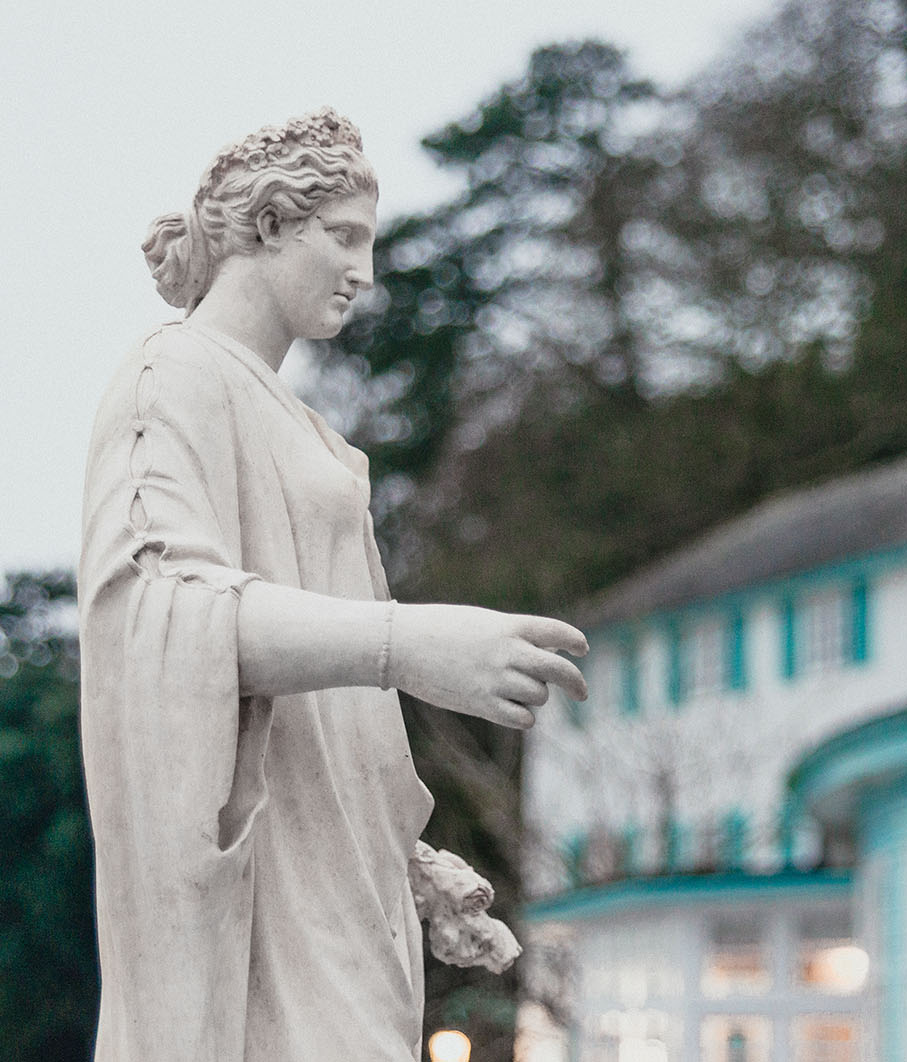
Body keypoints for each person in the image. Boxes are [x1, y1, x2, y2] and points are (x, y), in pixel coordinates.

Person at [78, 108, 587, 1062]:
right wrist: (408, 643)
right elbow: (156, 604)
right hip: (267, 908)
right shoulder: (171, 376)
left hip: (343, 887)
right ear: (270, 225)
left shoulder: (305, 429)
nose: (366, 271)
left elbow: (320, 718)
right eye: (344, 237)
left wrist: (409, 861)